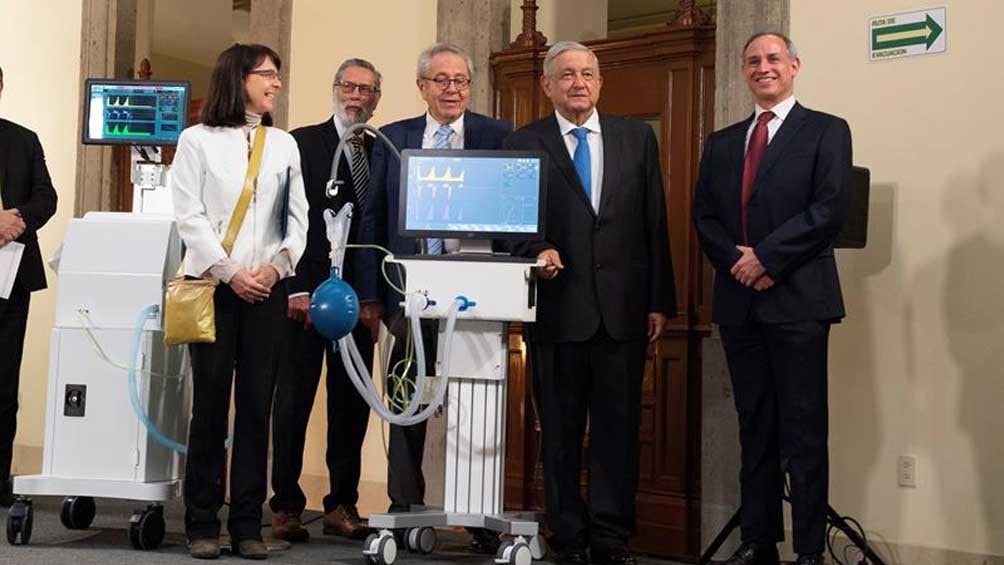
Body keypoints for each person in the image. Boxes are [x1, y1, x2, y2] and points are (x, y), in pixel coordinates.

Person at [504, 41, 676, 565]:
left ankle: (610, 537)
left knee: (617, 434)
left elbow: (655, 224)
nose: (579, 83)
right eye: (567, 75)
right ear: (548, 86)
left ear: (600, 83)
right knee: (557, 434)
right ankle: (568, 536)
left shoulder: (636, 138)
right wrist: (538, 249)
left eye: (588, 74)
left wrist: (658, 301)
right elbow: (515, 225)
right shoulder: (524, 143)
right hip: (557, 311)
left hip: (622, 313)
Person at [692, 32, 851, 565]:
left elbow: (829, 209)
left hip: (800, 301)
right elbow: (704, 218)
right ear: (744, 72)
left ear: (794, 66)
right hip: (741, 304)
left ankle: (809, 552)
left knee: (804, 433)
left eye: (773, 59)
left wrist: (766, 258)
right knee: (754, 427)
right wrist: (742, 265)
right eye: (754, 61)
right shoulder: (720, 142)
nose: (764, 67)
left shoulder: (827, 130)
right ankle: (761, 541)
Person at [366, 42, 511, 554]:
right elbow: (373, 219)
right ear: (423, 86)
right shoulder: (393, 139)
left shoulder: (497, 135)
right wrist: (372, 296)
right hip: (408, 296)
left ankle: (477, 515)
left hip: (476, 302)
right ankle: (405, 509)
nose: (453, 89)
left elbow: (512, 211)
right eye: (442, 80)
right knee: (407, 403)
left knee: (475, 404)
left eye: (462, 81)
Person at [170, 43, 308, 560]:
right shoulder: (195, 140)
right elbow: (189, 217)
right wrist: (230, 273)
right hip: (213, 288)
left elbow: (298, 221)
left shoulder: (284, 145)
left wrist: (275, 268)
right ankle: (202, 522)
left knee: (256, 408)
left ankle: (247, 524)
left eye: (278, 74)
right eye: (267, 74)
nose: (276, 83)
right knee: (208, 407)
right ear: (239, 77)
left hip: (267, 292)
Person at [269, 58, 383, 542]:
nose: (356, 95)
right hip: (306, 297)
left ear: (377, 98)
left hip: (360, 301)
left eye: (367, 90)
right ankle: (286, 507)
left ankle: (341, 504)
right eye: (349, 86)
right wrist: (294, 285)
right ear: (335, 88)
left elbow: (383, 224)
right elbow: (280, 218)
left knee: (351, 405)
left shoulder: (382, 150)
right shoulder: (300, 143)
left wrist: (375, 298)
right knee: (293, 402)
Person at [0, 64, 58, 506]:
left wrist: (15, 221)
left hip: (11, 276)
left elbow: (47, 197)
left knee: (4, 382)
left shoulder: (23, 139)